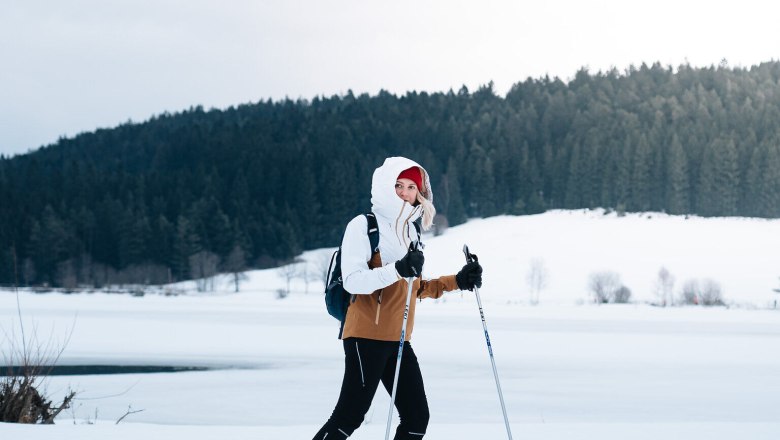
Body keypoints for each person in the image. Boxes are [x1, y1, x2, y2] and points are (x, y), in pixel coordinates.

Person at [313, 156, 483, 440]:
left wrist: (458, 281)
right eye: (398, 185)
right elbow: (355, 281)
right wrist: (398, 269)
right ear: (384, 186)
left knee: (417, 418)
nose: (405, 192)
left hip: (399, 339)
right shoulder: (364, 225)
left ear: (420, 193)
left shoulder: (411, 232)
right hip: (365, 336)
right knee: (349, 417)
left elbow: (413, 289)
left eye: (411, 187)